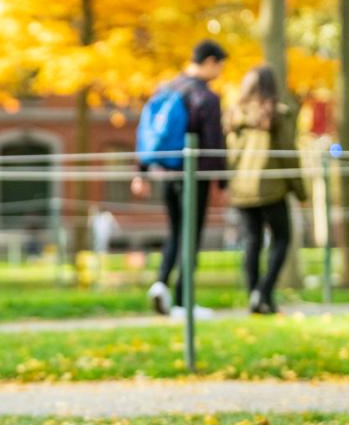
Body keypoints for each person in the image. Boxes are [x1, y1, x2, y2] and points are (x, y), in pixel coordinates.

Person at [131, 39, 228, 319]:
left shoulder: (166, 89)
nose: (220, 72)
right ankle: (184, 301)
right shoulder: (205, 98)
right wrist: (221, 182)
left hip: (164, 171)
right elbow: (213, 143)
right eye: (220, 65)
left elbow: (147, 133)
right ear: (209, 62)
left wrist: (141, 171)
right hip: (192, 174)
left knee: (175, 230)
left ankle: (161, 284)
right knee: (192, 234)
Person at [225, 64, 306, 314]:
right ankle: (264, 291)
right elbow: (288, 154)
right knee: (282, 239)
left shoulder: (234, 117)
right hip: (271, 187)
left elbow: (231, 157)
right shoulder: (277, 114)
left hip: (241, 190)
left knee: (252, 242)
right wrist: (300, 190)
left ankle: (255, 297)